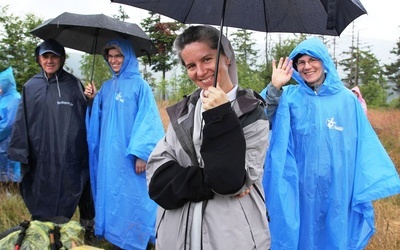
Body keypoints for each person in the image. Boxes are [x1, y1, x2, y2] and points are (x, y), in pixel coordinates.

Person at [262, 37, 400, 249]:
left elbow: (364, 143)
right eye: (301, 62)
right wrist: (274, 87)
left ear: (324, 61)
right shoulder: (287, 96)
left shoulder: (347, 100)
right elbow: (259, 120)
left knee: (334, 237)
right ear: (295, 67)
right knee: (297, 237)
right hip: (297, 189)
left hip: (337, 190)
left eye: (313, 59)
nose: (307, 66)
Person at [146, 25, 271, 249]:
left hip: (229, 236)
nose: (200, 71)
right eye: (191, 66)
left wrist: (221, 114)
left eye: (207, 59)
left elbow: (232, 182)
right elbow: (156, 178)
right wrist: (206, 179)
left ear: (226, 57)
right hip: (178, 234)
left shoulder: (252, 113)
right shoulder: (183, 113)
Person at [7, 39, 95, 236]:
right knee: (38, 191)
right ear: (39, 59)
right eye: (45, 56)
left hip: (68, 155)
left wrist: (90, 100)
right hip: (39, 156)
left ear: (61, 59)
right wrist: (20, 152)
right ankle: (43, 230)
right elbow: (21, 120)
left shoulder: (73, 85)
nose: (49, 61)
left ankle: (85, 229)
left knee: (75, 189)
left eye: (54, 56)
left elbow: (87, 117)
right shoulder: (31, 86)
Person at [84, 38, 164, 250]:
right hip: (109, 157)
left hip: (130, 157)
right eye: (110, 56)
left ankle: (138, 238)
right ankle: (116, 236)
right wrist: (93, 101)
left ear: (128, 57)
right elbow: (98, 119)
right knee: (112, 195)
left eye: (118, 55)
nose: (113, 60)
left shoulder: (140, 86)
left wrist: (141, 154)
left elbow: (148, 120)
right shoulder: (107, 87)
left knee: (132, 198)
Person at [0, 67, 21, 183]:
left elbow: (10, 123)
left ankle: (12, 187)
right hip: (2, 139)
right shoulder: (3, 97)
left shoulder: (15, 98)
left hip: (9, 138)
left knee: (10, 164)